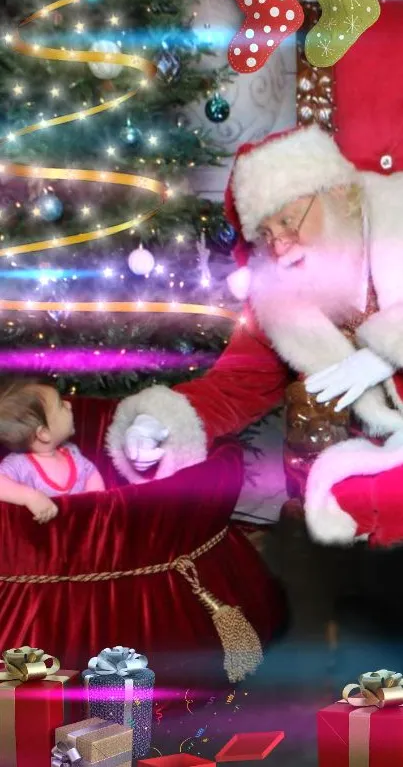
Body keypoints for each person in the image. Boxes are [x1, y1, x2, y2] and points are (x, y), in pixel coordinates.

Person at [107, 124, 403, 548]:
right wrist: (160, 422)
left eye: (287, 219)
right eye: (266, 233)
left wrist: (388, 350)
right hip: (368, 461)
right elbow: (235, 384)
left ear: (338, 193)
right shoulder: (280, 300)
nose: (280, 246)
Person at [0, 376, 105, 523]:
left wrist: (96, 504)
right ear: (44, 434)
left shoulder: (72, 452)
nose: (68, 404)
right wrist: (29, 497)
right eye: (61, 405)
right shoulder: (20, 464)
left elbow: (90, 473)